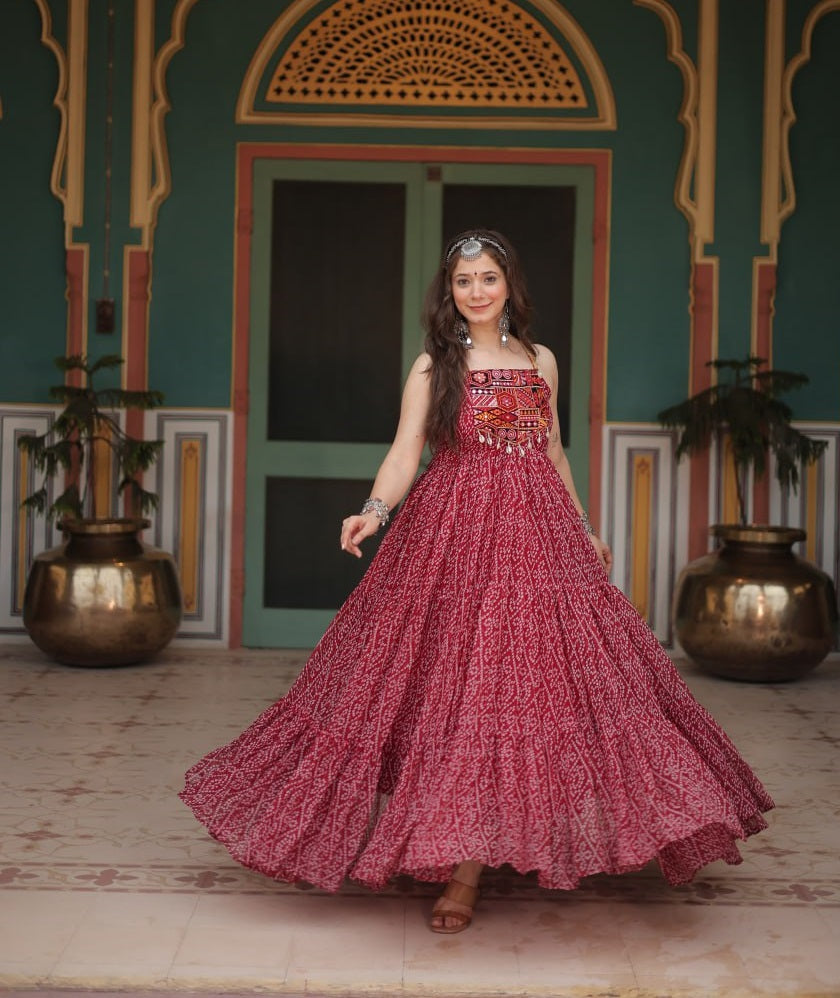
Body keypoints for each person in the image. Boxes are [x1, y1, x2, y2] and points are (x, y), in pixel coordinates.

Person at [180, 229, 774, 934]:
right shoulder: (435, 366)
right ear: (449, 294)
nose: (476, 292)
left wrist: (581, 524)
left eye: (487, 279)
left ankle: (511, 837)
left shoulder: (539, 360)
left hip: (538, 533)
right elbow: (405, 451)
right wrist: (372, 509)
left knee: (540, 685)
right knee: (453, 691)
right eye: (463, 283)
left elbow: (551, 448)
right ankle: (460, 866)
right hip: (452, 533)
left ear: (508, 285)